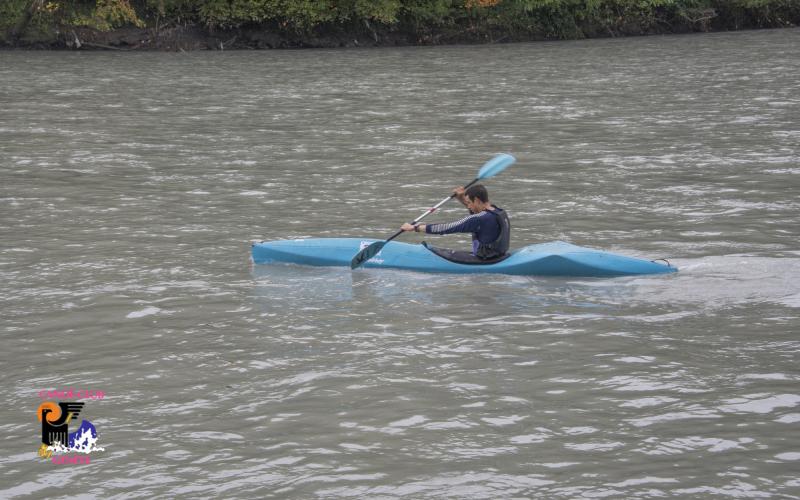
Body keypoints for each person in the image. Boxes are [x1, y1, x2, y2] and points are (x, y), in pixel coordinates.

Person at [400, 184, 510, 260]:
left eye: (469, 203)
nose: (468, 206)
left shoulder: (478, 219)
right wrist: (461, 198)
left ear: (476, 200)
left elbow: (447, 227)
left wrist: (415, 228)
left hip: (485, 258)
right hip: (498, 255)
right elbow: (480, 217)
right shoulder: (497, 211)